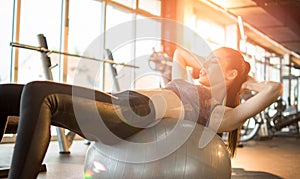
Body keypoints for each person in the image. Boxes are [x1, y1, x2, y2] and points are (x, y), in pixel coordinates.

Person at [0, 47, 282, 179]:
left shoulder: (220, 111)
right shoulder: (188, 82)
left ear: (230, 73)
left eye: (215, 62)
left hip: (131, 115)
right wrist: (210, 64)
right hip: (117, 103)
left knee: (40, 92)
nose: (206, 65)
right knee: (5, 95)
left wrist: (245, 81)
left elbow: (273, 89)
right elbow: (180, 55)